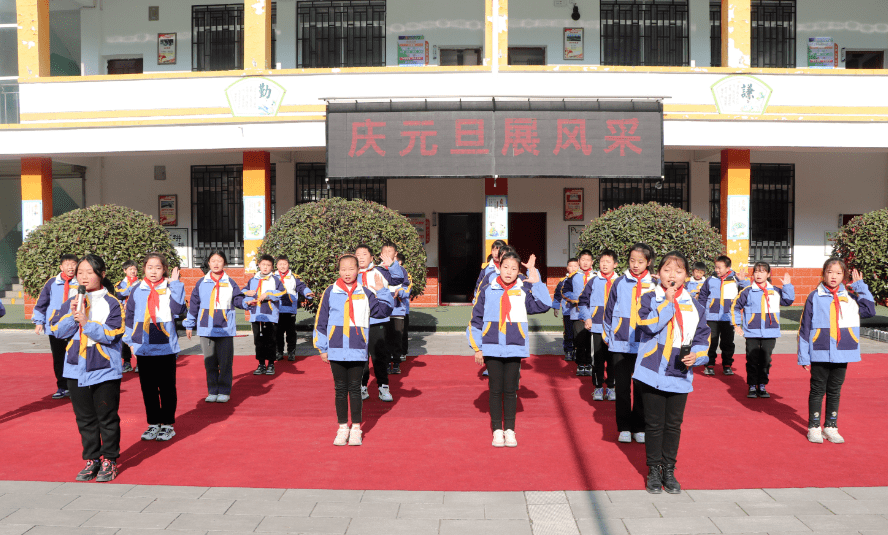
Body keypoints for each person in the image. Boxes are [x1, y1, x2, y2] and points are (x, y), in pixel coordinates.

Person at [634, 251, 712, 494]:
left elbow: (702, 337)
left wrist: (697, 356)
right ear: (659, 274)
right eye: (667, 270)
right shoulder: (649, 299)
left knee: (673, 425)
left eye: (678, 271)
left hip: (679, 370)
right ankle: (653, 470)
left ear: (687, 276)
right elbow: (647, 326)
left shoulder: (696, 305)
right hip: (652, 370)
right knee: (654, 424)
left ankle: (669, 469)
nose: (672, 275)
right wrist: (667, 303)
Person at [50, 254, 124, 482]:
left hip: (104, 368)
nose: (83, 277)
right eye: (80, 272)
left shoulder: (113, 302)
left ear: (101, 274)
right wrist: (72, 316)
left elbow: (113, 334)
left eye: (89, 272)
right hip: (75, 368)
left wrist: (86, 323)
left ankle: (109, 459)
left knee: (107, 416)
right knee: (84, 418)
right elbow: (56, 331)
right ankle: (91, 458)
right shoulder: (71, 301)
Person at [468, 251, 551, 447]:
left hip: (515, 345)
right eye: (506, 267)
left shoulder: (523, 290)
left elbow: (545, 305)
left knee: (511, 390)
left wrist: (536, 281)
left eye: (514, 269)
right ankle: (497, 430)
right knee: (495, 389)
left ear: (518, 272)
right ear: (499, 267)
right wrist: (477, 347)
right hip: (492, 345)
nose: (509, 271)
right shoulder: (487, 289)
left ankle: (510, 430)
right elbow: (475, 320)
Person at [314, 254, 393, 446]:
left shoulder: (365, 293)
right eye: (343, 269)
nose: (347, 273)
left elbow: (383, 311)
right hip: (336, 348)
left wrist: (382, 291)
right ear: (338, 271)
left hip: (358, 348)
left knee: (355, 389)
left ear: (358, 270)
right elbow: (321, 322)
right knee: (340, 389)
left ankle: (356, 427)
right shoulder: (330, 291)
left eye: (351, 269)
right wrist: (322, 348)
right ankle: (342, 427)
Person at [798, 258, 875, 444]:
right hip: (820, 350)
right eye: (830, 272)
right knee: (817, 390)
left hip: (843, 350)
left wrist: (860, 286)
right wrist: (804, 356)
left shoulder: (850, 297)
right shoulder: (814, 297)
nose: (834, 276)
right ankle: (814, 427)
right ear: (823, 273)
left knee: (834, 390)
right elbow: (805, 327)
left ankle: (831, 426)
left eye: (839, 273)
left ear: (844, 276)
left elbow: (869, 310)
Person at [123, 253, 186, 442]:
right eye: (150, 267)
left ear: (164, 269)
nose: (153, 271)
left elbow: (178, 310)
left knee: (167, 387)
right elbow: (130, 316)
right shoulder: (137, 289)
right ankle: (153, 423)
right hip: (143, 346)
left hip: (166, 345)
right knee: (148, 387)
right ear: (144, 269)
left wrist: (175, 285)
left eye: (158, 267)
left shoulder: (170, 287)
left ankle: (167, 424)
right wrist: (131, 341)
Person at [604, 243, 657, 444]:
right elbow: (608, 312)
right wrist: (610, 336)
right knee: (623, 387)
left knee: (642, 387)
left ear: (648, 262)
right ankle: (624, 427)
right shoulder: (619, 282)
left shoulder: (654, 284)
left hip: (645, 344)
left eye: (640, 261)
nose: (635, 265)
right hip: (621, 343)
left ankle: (639, 426)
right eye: (632, 261)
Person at [184, 250, 247, 403]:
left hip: (225, 328)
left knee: (225, 362)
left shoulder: (230, 282)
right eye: (213, 260)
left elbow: (238, 300)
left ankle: (224, 390)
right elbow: (194, 305)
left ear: (224, 263)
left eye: (219, 260)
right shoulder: (201, 282)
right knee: (209, 362)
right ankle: (212, 390)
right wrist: (189, 324)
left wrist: (246, 303)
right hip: (206, 327)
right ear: (208, 263)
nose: (216, 263)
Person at [731, 263, 794, 398]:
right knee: (752, 359)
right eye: (756, 272)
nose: (759, 275)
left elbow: (788, 301)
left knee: (766, 360)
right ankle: (752, 385)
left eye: (762, 272)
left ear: (768, 274)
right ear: (753, 274)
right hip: (752, 332)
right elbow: (735, 306)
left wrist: (787, 286)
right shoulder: (747, 291)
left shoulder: (775, 291)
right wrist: (736, 324)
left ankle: (762, 385)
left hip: (770, 331)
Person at [356, 242, 405, 402]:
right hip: (357, 323)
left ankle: (383, 387)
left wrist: (392, 265)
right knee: (360, 357)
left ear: (371, 257)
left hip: (378, 320)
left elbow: (398, 279)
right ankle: (362, 387)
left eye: (364, 254)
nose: (360, 257)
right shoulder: (351, 274)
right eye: (358, 254)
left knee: (379, 356)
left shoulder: (380, 271)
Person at [33, 254, 80, 400]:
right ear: (61, 267)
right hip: (55, 327)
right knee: (58, 357)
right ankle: (62, 386)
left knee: (75, 356)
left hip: (75, 326)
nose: (70, 267)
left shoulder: (81, 283)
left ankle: (76, 386)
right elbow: (41, 303)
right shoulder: (52, 282)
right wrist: (39, 322)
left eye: (73, 264)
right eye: (67, 264)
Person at [697, 255, 749, 376]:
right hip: (711, 317)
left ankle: (727, 365)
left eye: (719, 268)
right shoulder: (710, 280)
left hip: (728, 317)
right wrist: (701, 313)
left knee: (727, 342)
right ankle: (709, 365)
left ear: (728, 268)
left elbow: (747, 292)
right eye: (716, 267)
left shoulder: (736, 279)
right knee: (711, 342)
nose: (717, 270)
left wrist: (743, 281)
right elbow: (703, 297)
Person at [579, 249, 619, 401]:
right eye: (602, 262)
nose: (604, 265)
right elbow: (582, 301)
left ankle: (610, 387)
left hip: (615, 329)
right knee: (597, 358)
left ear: (615, 264)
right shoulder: (593, 281)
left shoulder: (620, 282)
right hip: (596, 327)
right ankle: (597, 387)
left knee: (613, 359)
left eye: (608, 262)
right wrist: (587, 317)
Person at [243, 254, 286, 376]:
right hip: (256, 314)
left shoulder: (275, 280)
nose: (265, 267)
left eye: (268, 265)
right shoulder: (253, 279)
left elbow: (282, 292)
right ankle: (261, 363)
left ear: (272, 267)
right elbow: (243, 291)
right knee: (258, 340)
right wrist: (248, 293)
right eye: (263, 265)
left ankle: (271, 363)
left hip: (270, 314)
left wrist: (268, 294)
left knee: (271, 340)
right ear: (259, 265)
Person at [274, 255, 314, 362]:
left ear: (288, 265)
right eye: (280, 264)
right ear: (276, 265)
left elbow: (302, 287)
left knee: (290, 332)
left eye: (285, 264)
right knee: (278, 332)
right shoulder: (272, 277)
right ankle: (279, 352)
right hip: (276, 310)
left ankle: (291, 352)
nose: (282, 266)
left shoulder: (294, 277)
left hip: (290, 309)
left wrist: (308, 293)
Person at [563, 250, 596, 376]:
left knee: (590, 340)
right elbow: (564, 292)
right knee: (579, 339)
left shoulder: (596, 276)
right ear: (578, 261)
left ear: (592, 262)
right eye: (583, 260)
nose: (585, 262)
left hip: (593, 314)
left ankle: (588, 363)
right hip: (577, 313)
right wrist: (575, 298)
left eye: (588, 260)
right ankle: (580, 364)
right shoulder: (572, 277)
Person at [389, 252, 412, 374]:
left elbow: (407, 288)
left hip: (399, 310)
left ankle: (397, 361)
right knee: (386, 339)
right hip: (385, 311)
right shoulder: (381, 271)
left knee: (399, 336)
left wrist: (400, 292)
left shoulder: (403, 272)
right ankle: (387, 362)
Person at [115, 259, 139, 373]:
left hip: (138, 314)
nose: (133, 271)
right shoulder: (120, 284)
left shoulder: (141, 283)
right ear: (125, 271)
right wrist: (133, 287)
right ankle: (127, 362)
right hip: (125, 315)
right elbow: (120, 294)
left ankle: (140, 362)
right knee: (125, 338)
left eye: (135, 269)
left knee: (139, 336)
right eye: (130, 269)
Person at [552, 258, 579, 362]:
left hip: (578, 312)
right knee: (568, 332)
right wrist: (556, 307)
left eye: (575, 266)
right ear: (567, 267)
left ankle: (577, 351)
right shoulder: (562, 281)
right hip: (567, 311)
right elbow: (557, 295)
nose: (572, 268)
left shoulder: (581, 279)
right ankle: (568, 350)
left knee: (577, 332)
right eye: (570, 266)